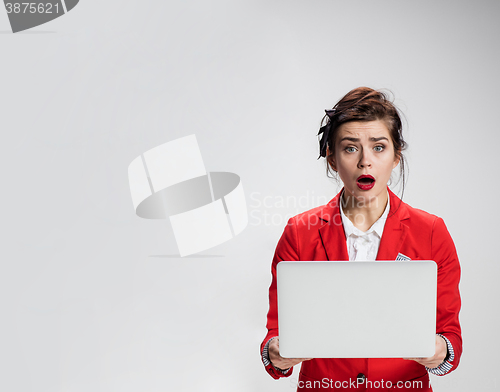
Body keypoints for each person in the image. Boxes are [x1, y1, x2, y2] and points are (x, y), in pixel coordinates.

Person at [260, 87, 462, 391]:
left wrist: (440, 351)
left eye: (379, 147)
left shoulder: (431, 232)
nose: (365, 161)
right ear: (331, 158)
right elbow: (275, 333)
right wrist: (276, 353)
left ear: (396, 157)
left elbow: (450, 335)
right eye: (351, 148)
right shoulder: (299, 232)